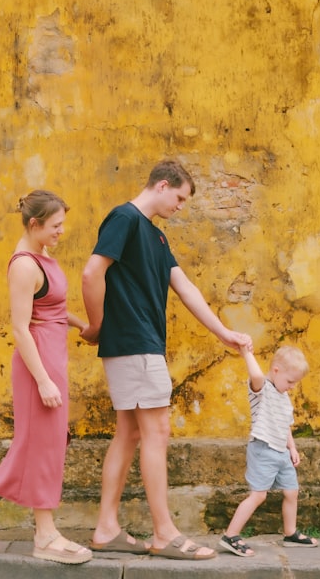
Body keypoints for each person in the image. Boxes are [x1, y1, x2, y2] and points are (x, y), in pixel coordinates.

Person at [80, 159, 253, 561]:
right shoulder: (124, 218)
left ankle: (106, 528)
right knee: (157, 433)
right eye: (179, 198)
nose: (180, 207)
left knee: (130, 433)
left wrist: (223, 332)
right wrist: (96, 324)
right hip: (135, 342)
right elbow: (92, 273)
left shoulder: (155, 237)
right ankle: (164, 533)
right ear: (161, 186)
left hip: (139, 344)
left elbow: (184, 287)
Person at [0, 190, 93, 565]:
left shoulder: (43, 256)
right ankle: (44, 534)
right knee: (41, 445)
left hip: (53, 358)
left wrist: (84, 326)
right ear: (34, 224)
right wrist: (44, 380)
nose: (62, 231)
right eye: (55, 225)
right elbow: (20, 329)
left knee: (45, 443)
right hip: (38, 366)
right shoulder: (24, 266)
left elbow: (52, 309)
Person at [219, 343, 317, 557]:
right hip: (263, 449)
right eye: (290, 381)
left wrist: (292, 448)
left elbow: (285, 425)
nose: (292, 386)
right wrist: (246, 352)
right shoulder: (262, 389)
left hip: (281, 451)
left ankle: (290, 533)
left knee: (292, 491)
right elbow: (255, 373)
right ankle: (231, 535)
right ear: (276, 371)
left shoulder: (284, 397)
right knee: (258, 495)